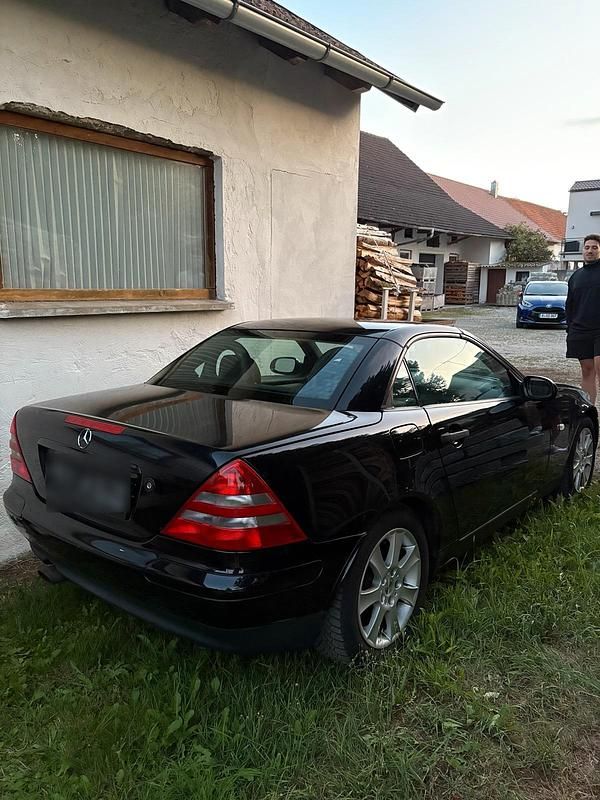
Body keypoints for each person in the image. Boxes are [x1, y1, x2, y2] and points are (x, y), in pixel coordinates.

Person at [565, 233, 600, 403]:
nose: (590, 251)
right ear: (583, 251)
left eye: (594, 247)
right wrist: (570, 329)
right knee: (587, 371)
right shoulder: (576, 276)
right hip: (580, 330)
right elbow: (569, 305)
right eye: (587, 248)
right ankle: (590, 410)